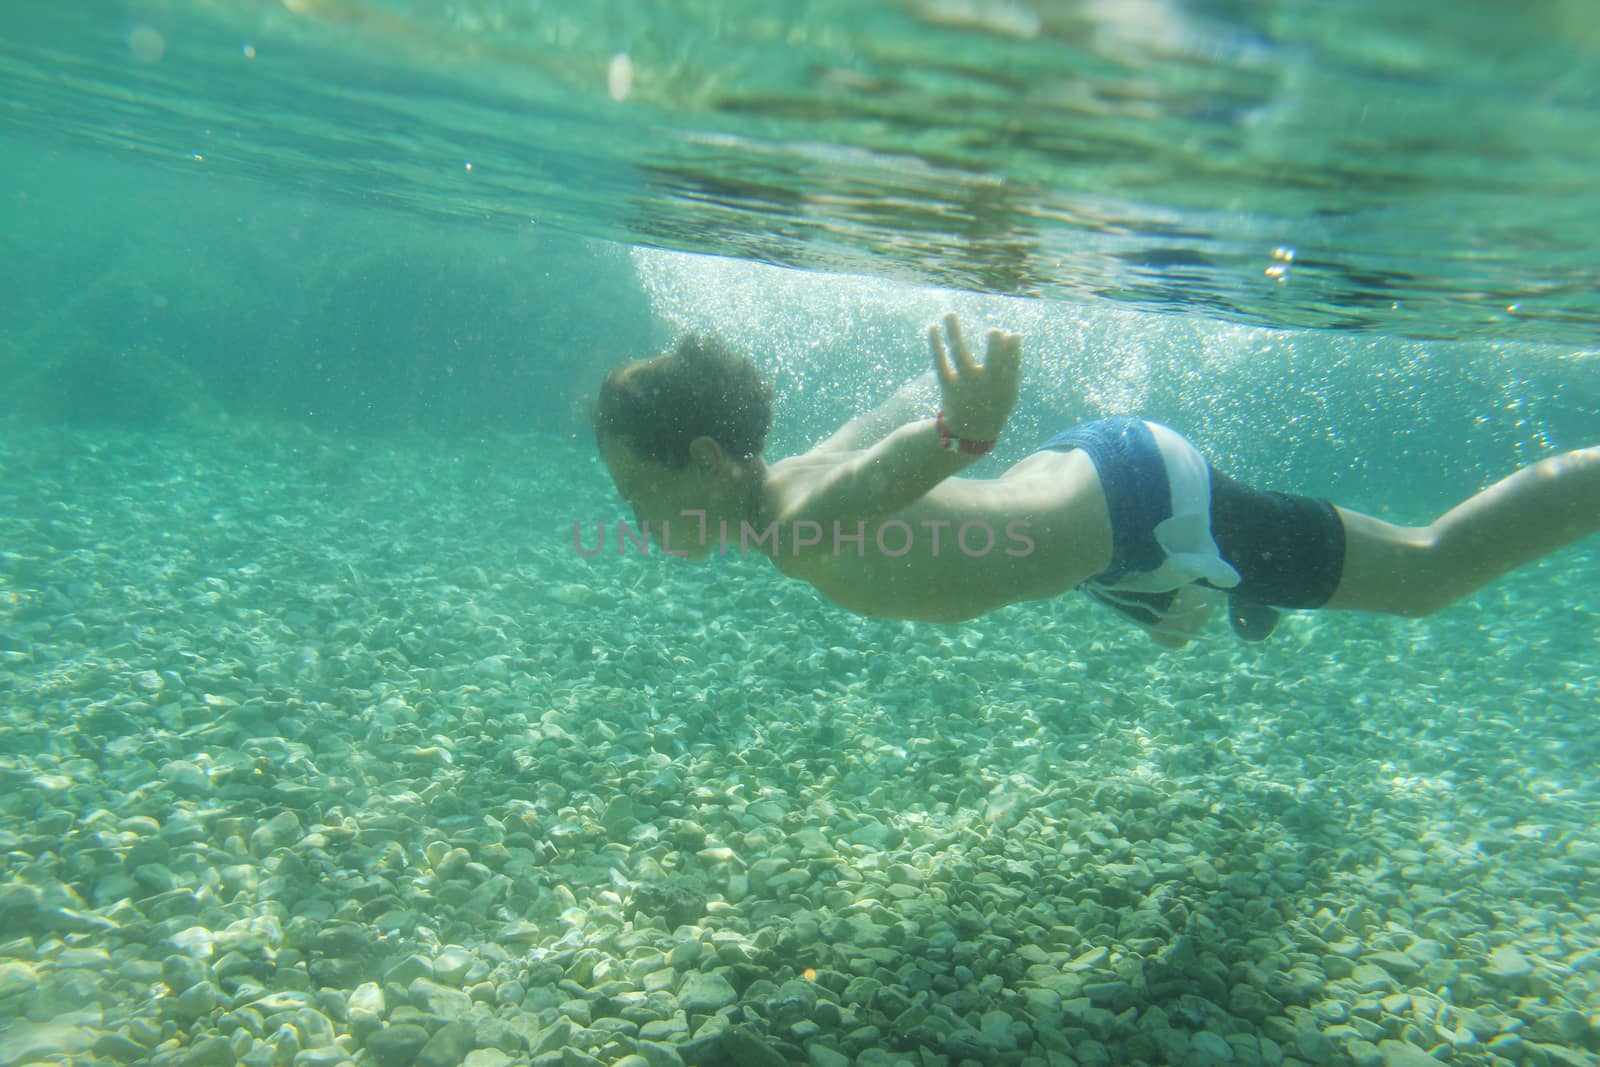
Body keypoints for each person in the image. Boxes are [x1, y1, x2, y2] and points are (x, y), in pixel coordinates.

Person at [591, 314, 1600, 646]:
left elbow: (883, 471)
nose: (632, 519)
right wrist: (932, 404)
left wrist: (960, 431)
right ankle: (1227, 584)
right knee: (1178, 620)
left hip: (1147, 499)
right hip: (1097, 538)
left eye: (639, 495)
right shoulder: (791, 478)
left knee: (1427, 574)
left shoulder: (798, 516)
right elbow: (874, 430)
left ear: (712, 462)